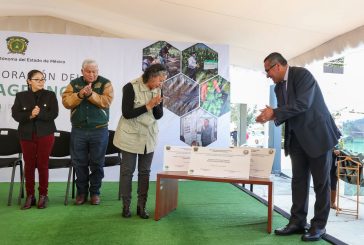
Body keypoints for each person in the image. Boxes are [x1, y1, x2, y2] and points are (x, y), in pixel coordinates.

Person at [256, 53, 341, 242]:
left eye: (267, 70)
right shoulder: (278, 87)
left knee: (321, 184)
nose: (267, 75)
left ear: (277, 66)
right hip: (296, 140)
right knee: (298, 182)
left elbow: (303, 104)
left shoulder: (302, 75)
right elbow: (287, 113)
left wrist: (275, 112)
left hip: (318, 137)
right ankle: (297, 222)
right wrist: (269, 116)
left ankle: (319, 227)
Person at [113, 64, 166, 219]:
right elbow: (127, 113)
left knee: (145, 172)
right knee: (127, 172)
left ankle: (141, 206)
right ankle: (126, 206)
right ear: (152, 77)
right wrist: (148, 105)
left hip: (148, 136)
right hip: (129, 136)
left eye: (162, 81)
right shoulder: (130, 87)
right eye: (159, 81)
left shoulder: (158, 89)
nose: (161, 84)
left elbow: (158, 116)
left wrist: (156, 106)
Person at [62, 59, 114, 205]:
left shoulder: (105, 83)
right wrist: (80, 94)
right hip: (78, 130)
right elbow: (66, 102)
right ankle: (81, 193)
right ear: (82, 71)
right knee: (79, 163)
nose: (92, 74)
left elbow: (106, 101)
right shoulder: (74, 84)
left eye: (95, 71)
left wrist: (90, 95)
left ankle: (95, 193)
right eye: (89, 71)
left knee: (97, 163)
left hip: (99, 130)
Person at [11, 69, 58, 209]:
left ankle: (43, 195)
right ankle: (30, 195)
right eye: (37, 79)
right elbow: (16, 115)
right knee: (29, 165)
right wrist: (30, 115)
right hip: (26, 135)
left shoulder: (50, 95)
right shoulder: (20, 96)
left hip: (45, 134)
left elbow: (54, 114)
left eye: (43, 79)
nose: (41, 82)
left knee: (43, 164)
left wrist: (39, 113)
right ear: (29, 81)